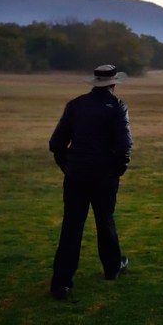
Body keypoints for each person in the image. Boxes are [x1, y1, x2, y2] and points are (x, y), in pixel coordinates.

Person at [49, 64, 132, 301]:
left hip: (76, 175)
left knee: (71, 226)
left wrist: (67, 166)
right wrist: (117, 170)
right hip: (104, 175)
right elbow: (125, 145)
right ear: (113, 84)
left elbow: (56, 143)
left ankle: (61, 282)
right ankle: (112, 267)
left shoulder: (74, 105)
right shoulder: (117, 107)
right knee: (105, 220)